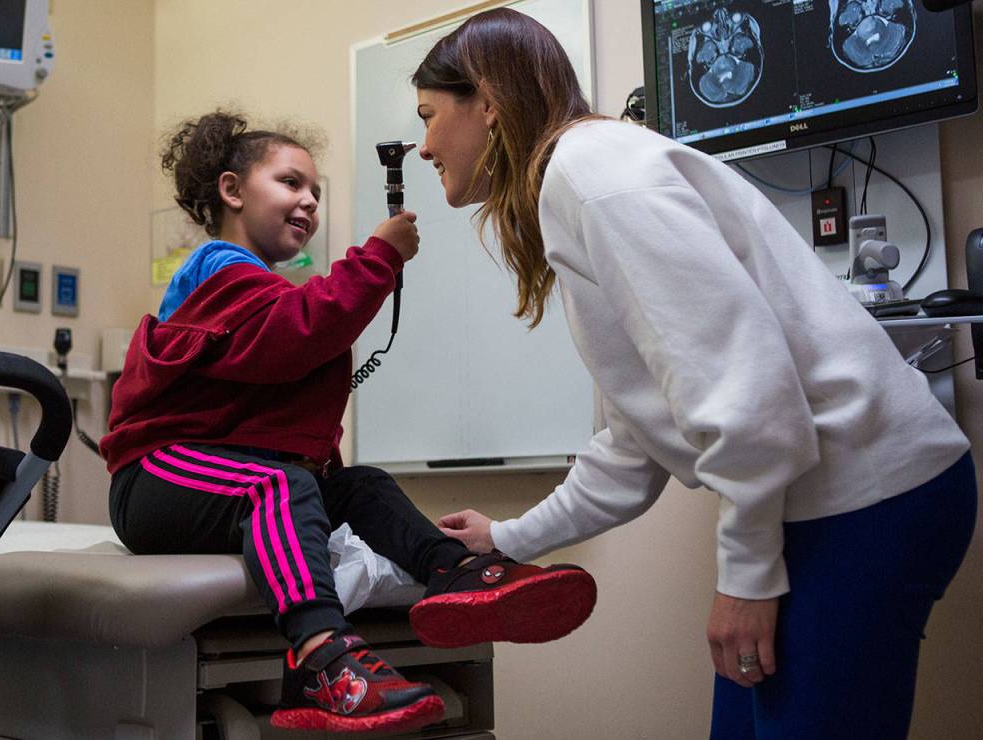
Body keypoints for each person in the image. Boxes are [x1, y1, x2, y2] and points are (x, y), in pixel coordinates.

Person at [411, 9, 978, 740]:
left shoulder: (594, 176)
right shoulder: (582, 181)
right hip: (832, 504)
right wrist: (510, 537)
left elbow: (746, 397)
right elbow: (633, 445)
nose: (424, 145)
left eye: (430, 116)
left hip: (866, 500)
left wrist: (746, 580)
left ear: (486, 100)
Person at [99, 110, 597, 735]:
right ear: (232, 191)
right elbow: (299, 332)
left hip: (215, 483)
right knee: (279, 485)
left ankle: (455, 573)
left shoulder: (265, 288)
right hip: (157, 480)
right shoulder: (216, 271)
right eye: (289, 183)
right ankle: (319, 656)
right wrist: (378, 258)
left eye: (315, 192)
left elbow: (286, 368)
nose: (308, 201)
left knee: (361, 485)